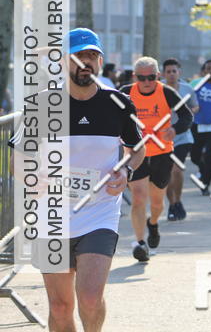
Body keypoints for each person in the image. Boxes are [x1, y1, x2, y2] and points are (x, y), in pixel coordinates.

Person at [9, 28, 145, 331]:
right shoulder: (41, 105)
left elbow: (137, 148)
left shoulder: (119, 103)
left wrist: (126, 171)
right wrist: (30, 177)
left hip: (99, 212)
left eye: (92, 56)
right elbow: (18, 157)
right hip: (51, 215)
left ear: (100, 62)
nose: (86, 62)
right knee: (60, 307)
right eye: (78, 56)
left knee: (90, 299)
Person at [120, 57, 193, 261]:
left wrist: (175, 129)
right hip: (136, 152)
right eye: (141, 78)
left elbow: (187, 116)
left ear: (158, 76)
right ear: (134, 77)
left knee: (157, 202)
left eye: (151, 77)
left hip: (162, 152)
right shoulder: (125, 92)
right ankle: (140, 243)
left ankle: (153, 223)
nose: (146, 82)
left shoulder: (166, 92)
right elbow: (111, 115)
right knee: (138, 198)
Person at [163, 58, 199, 221]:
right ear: (163, 74)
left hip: (183, 136)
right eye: (168, 71)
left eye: (174, 71)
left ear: (179, 72)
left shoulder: (187, 89)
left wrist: (189, 111)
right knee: (167, 173)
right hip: (162, 138)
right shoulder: (158, 89)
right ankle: (172, 205)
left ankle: (178, 200)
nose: (171, 74)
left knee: (177, 170)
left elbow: (195, 106)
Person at [190, 60, 211, 195]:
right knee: (194, 156)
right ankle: (204, 170)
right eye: (208, 68)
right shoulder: (196, 87)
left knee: (210, 157)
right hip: (197, 125)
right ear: (203, 71)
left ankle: (205, 185)